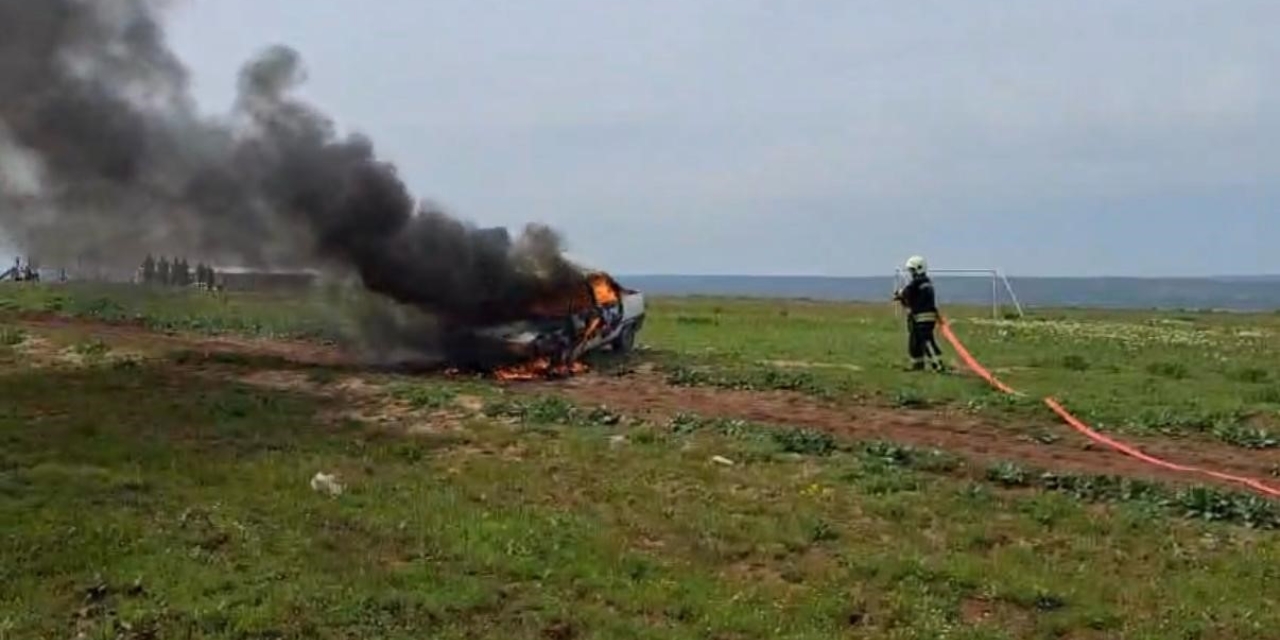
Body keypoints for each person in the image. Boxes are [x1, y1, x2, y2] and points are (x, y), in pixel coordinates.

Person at [894, 255, 945, 371]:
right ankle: (918, 364)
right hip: (922, 317)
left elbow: (906, 293)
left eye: (911, 270)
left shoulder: (918, 282)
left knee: (926, 341)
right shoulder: (927, 283)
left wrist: (899, 295)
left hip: (922, 318)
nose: (910, 273)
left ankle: (937, 364)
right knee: (915, 342)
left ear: (918, 268)